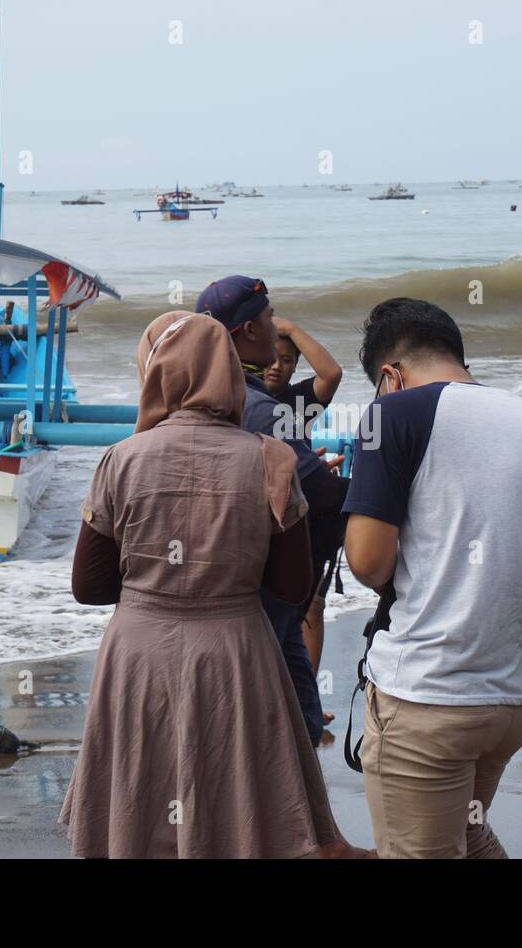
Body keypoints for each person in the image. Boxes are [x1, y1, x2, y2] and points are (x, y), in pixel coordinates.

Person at [59, 311, 363, 858]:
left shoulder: (120, 460)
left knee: (140, 794)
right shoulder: (270, 459)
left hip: (139, 654)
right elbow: (292, 585)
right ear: (229, 371)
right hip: (235, 650)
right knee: (237, 798)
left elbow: (89, 585)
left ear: (158, 375)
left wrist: (153, 588)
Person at [343, 297, 522, 858]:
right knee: (468, 833)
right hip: (512, 700)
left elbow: (366, 562)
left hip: (429, 694)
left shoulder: (392, 415)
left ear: (390, 375)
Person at [195, 275, 336, 745]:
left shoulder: (205, 394)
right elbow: (322, 501)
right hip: (263, 597)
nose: (275, 325)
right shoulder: (258, 408)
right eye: (269, 317)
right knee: (273, 733)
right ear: (250, 332)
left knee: (300, 722)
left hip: (242, 592)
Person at [262, 319, 347, 695]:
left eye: (286, 360)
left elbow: (331, 373)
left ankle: (304, 694)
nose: (276, 366)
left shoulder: (297, 402)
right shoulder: (243, 398)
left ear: (296, 365)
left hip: (302, 508)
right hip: (264, 514)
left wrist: (294, 329)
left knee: (312, 605)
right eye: (271, 358)